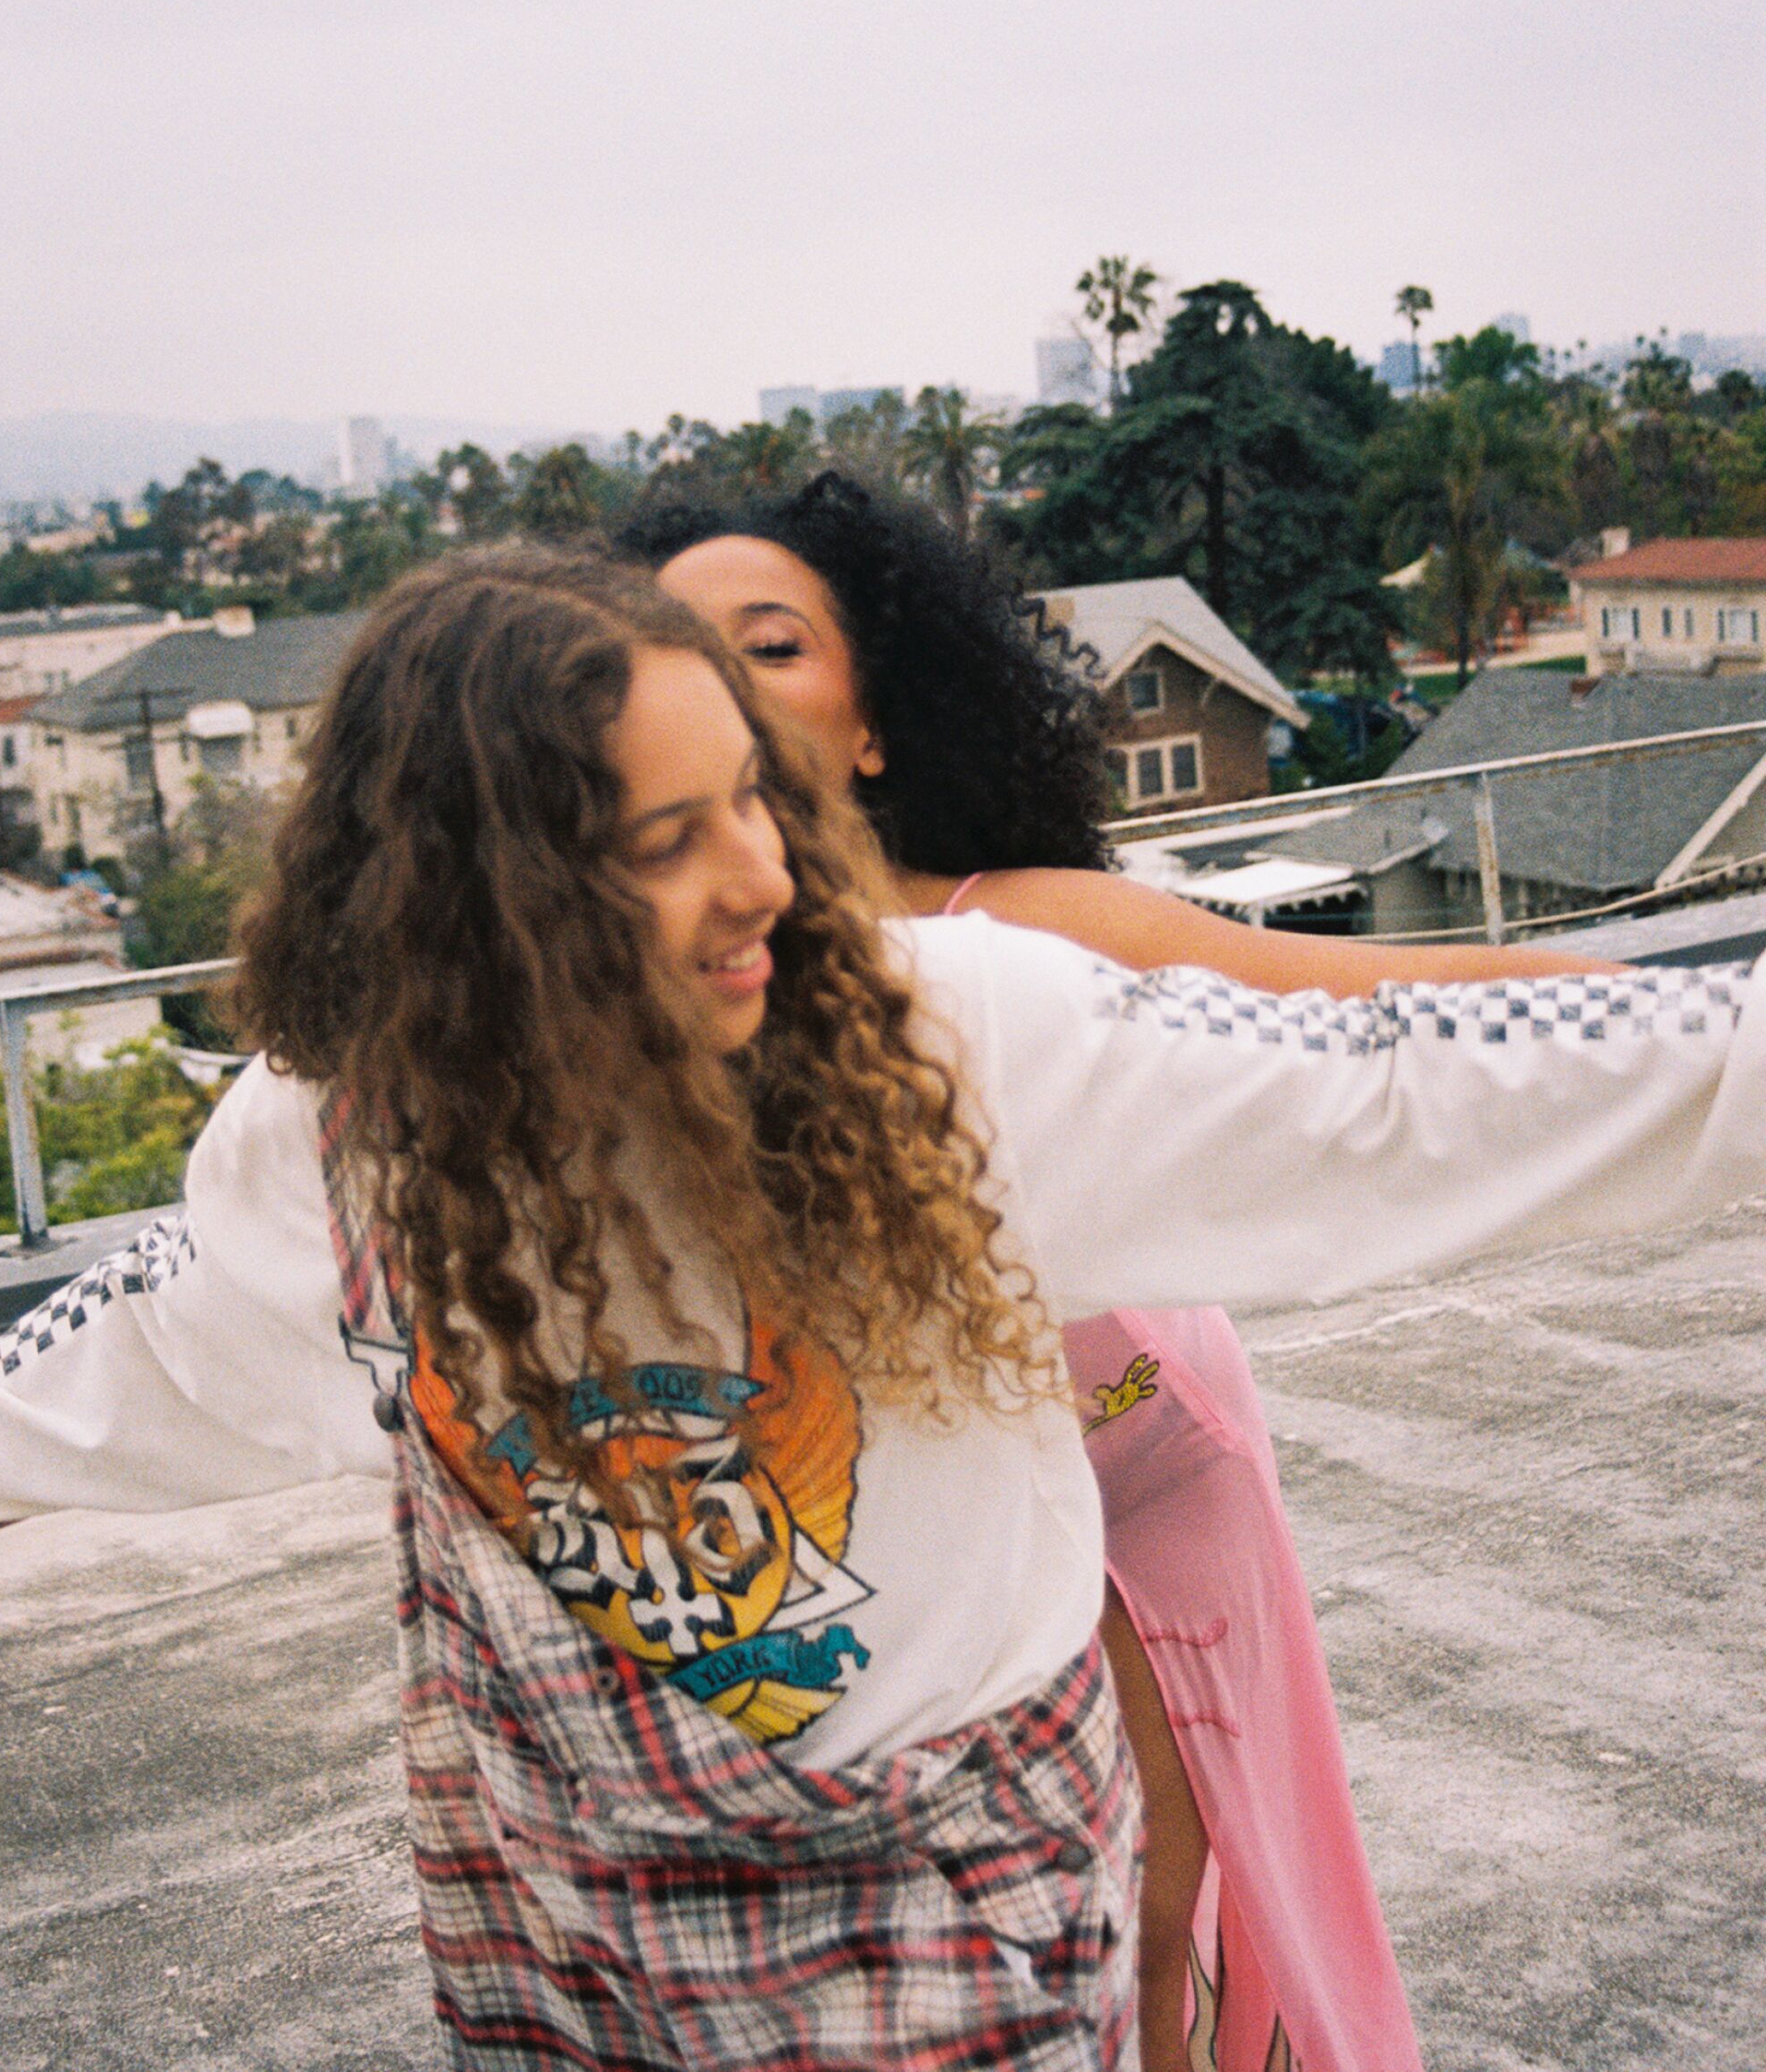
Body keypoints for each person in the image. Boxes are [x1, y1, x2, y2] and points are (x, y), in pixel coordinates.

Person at [0, 547, 1760, 2072]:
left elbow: (1398, 1086)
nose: (762, 873)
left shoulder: (965, 1038)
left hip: (938, 1938)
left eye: (751, 797)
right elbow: (131, 1361)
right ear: (481, 901)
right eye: (667, 838)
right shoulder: (329, 1146)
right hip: (557, 1930)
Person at [627, 467, 1610, 2072]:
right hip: (933, 1537)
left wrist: (1687, 1019)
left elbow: (1368, 997)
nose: (721, 682)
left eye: (773, 644)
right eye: (673, 651)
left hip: (1139, 1474)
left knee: (1145, 1913)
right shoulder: (654, 994)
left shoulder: (1008, 923)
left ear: (878, 723)